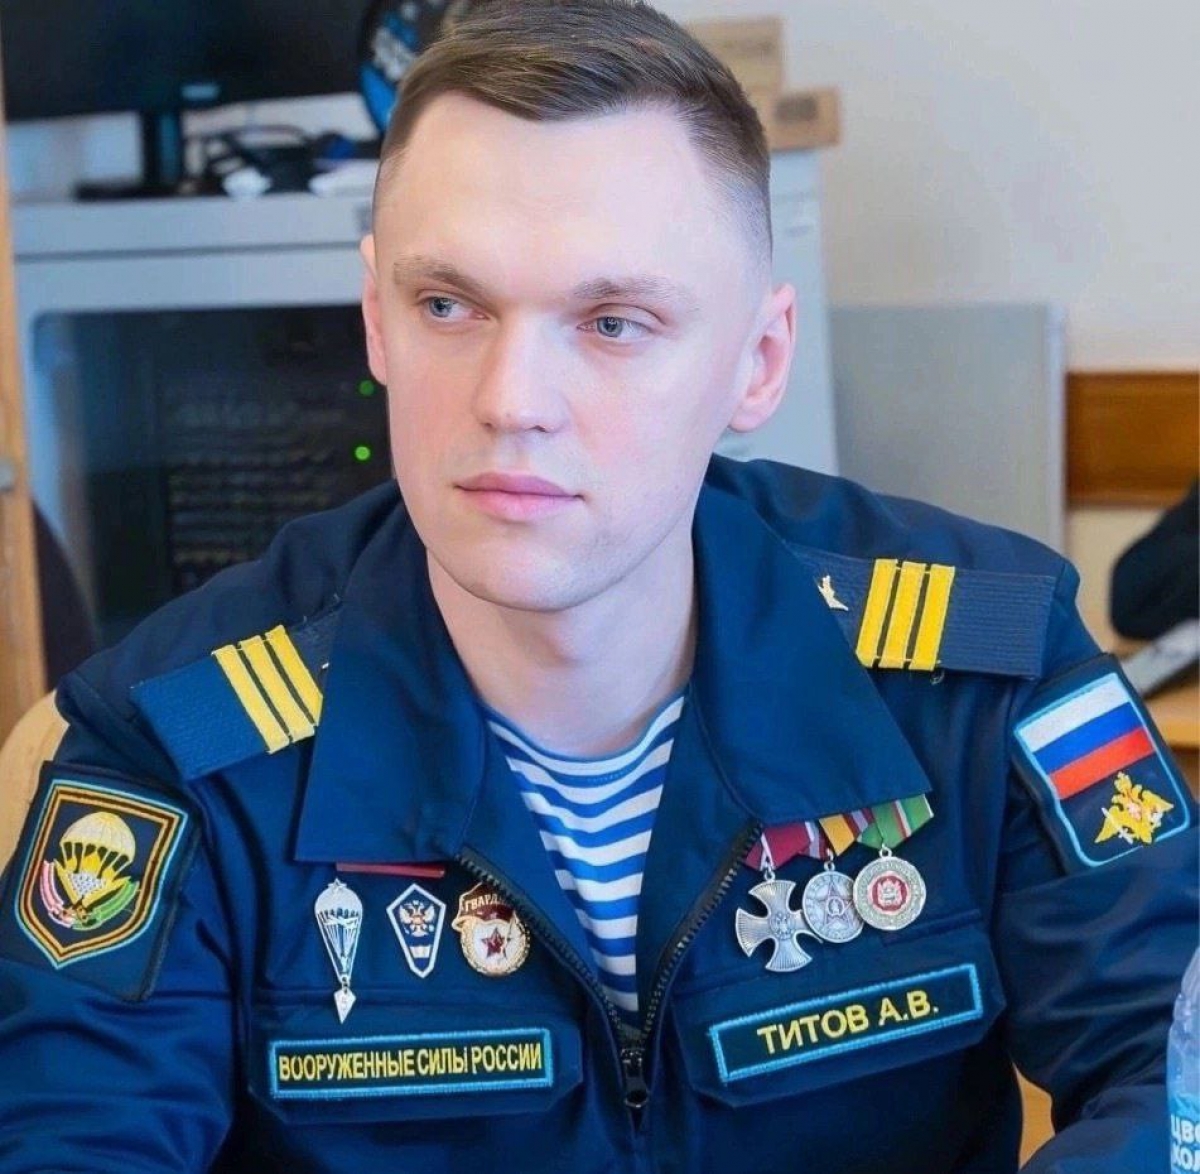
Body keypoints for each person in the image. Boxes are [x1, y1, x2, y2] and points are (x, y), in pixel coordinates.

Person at [0, 2, 1194, 1171]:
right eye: (448, 306)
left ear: (758, 361)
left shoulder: (979, 666)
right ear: (376, 322)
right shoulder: (177, 746)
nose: (511, 400)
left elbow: (1172, 1068)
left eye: (614, 322)